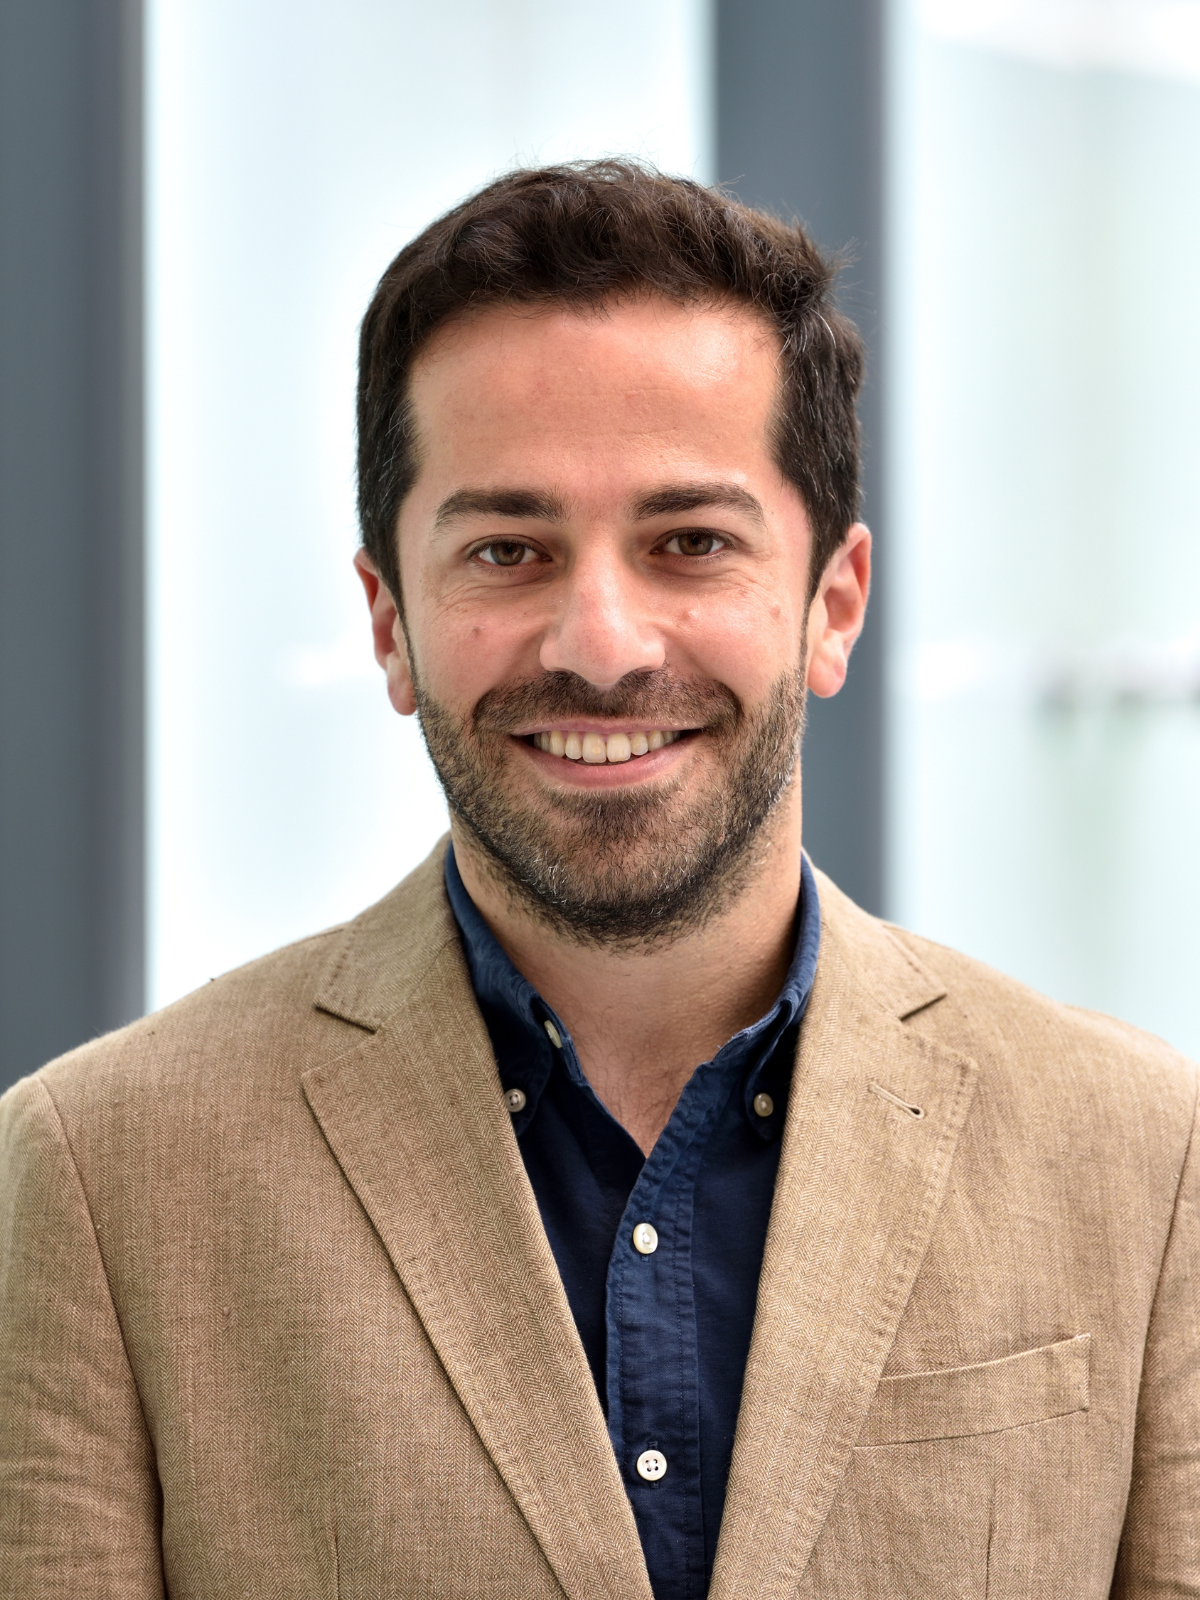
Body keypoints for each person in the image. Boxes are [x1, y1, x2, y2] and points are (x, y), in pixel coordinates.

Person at [1, 161, 1196, 1600]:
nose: (603, 645)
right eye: (508, 550)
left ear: (832, 605)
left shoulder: (1142, 1158)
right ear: (389, 622)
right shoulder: (98, 1176)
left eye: (690, 543)